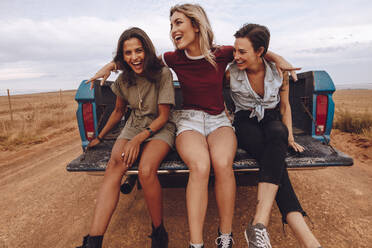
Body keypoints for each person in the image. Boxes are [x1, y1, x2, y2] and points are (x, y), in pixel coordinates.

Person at [90, 4, 299, 248]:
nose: (173, 30)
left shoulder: (222, 53)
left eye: (178, 23)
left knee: (222, 164)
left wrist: (280, 58)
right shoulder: (172, 58)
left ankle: (225, 238)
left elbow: (254, 50)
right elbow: (142, 60)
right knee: (200, 166)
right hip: (188, 119)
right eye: (171, 25)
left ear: (196, 26)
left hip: (219, 118)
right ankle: (196, 244)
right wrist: (112, 65)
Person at [76, 27, 175, 248]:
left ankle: (159, 233)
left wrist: (138, 140)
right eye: (128, 53)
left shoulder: (163, 74)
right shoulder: (123, 79)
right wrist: (100, 137)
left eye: (138, 51)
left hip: (159, 126)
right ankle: (93, 241)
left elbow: (164, 116)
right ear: (123, 56)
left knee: (146, 170)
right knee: (114, 165)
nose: (134, 57)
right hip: (134, 125)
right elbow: (119, 112)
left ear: (147, 50)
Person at [226, 23, 322, 248]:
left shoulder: (278, 73)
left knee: (279, 132)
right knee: (274, 159)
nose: (236, 56)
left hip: (270, 118)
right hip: (244, 120)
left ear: (259, 52)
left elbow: (285, 106)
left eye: (242, 51)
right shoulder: (230, 71)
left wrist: (290, 138)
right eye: (235, 50)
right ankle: (303, 239)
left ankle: (259, 225)